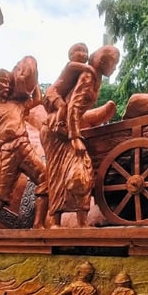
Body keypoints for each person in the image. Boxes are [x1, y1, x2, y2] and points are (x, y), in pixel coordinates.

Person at [41, 45, 120, 227]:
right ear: (103, 62)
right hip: (56, 130)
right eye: (114, 63)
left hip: (65, 128)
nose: (115, 68)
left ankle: (80, 223)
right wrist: (75, 138)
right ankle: (56, 222)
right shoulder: (88, 76)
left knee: (77, 173)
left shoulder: (94, 76)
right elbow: (73, 107)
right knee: (63, 173)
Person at [0, 68, 48, 228]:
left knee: (45, 178)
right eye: (2, 82)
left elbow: (37, 99)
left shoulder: (17, 103)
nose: (6, 86)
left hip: (25, 148)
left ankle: (38, 224)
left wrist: (32, 79)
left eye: (8, 83)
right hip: (8, 153)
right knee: (1, 192)